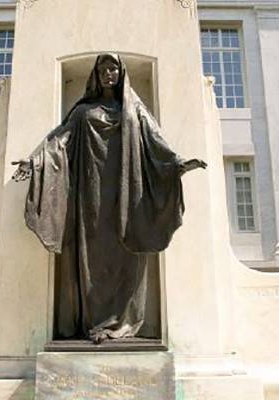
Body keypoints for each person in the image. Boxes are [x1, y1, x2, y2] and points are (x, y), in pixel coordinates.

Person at [12, 53, 206, 344]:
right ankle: (93, 324)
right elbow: (58, 142)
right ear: (96, 74)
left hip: (129, 199)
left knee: (128, 256)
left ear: (121, 72)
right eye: (103, 69)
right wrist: (35, 162)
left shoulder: (134, 112)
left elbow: (156, 143)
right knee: (91, 260)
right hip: (90, 202)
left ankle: (122, 323)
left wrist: (177, 163)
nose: (108, 74)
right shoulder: (82, 113)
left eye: (113, 68)